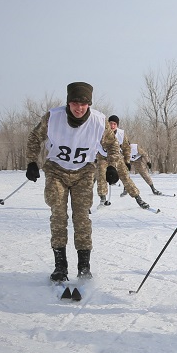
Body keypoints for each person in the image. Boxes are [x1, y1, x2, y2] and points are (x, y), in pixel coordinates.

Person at [25, 82, 112, 282]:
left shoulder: (99, 121)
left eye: (83, 103)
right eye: (74, 103)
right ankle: (60, 266)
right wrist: (32, 162)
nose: (79, 108)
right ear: (68, 102)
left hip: (84, 172)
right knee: (58, 215)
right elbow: (34, 138)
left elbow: (112, 145)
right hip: (57, 171)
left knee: (82, 217)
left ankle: (84, 266)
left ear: (89, 104)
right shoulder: (53, 117)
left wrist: (112, 166)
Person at [95, 115, 151, 210]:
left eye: (114, 124)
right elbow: (93, 144)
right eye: (110, 123)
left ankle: (138, 198)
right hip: (103, 157)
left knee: (125, 177)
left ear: (117, 125)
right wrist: (94, 157)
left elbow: (126, 148)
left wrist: (127, 161)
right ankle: (103, 198)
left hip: (117, 157)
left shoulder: (121, 134)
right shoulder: (101, 132)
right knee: (101, 174)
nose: (112, 126)